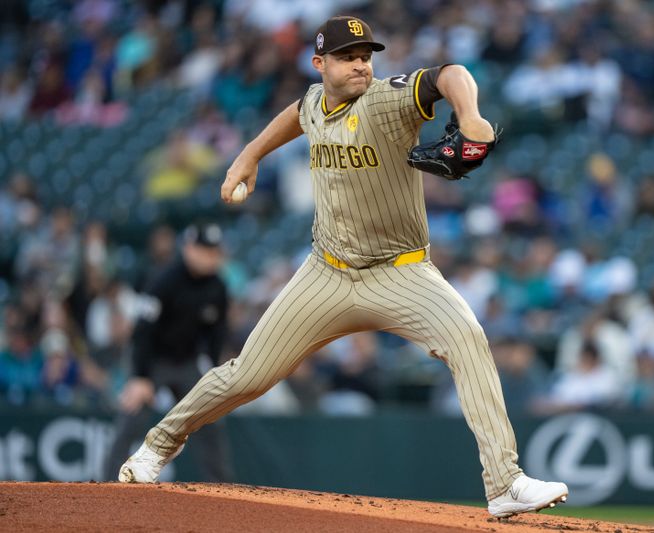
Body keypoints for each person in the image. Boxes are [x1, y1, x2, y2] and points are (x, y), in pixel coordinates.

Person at [118, 15, 568, 518]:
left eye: (365, 56)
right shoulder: (315, 101)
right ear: (319, 64)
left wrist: (472, 118)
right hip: (326, 273)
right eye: (347, 57)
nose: (360, 64)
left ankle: (504, 482)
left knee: (468, 339)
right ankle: (160, 442)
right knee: (247, 376)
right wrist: (250, 154)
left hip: (401, 272)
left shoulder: (387, 99)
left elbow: (451, 73)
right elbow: (298, 112)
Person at [106, 223, 232, 482]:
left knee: (210, 419)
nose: (210, 256)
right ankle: (107, 484)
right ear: (188, 249)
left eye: (214, 251)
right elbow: (142, 331)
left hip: (187, 362)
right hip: (153, 361)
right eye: (204, 250)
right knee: (132, 417)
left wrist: (212, 369)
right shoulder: (164, 279)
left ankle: (221, 488)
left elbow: (217, 334)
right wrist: (140, 376)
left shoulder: (218, 286)